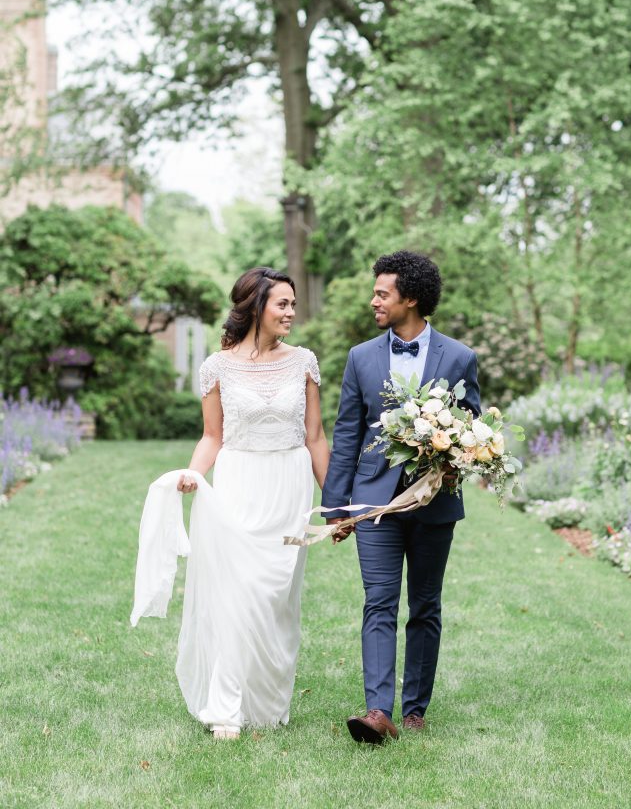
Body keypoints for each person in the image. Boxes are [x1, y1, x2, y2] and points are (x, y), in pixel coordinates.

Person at [131, 267, 328, 740]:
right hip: (239, 484)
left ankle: (267, 700)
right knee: (237, 594)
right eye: (282, 303)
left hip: (290, 486)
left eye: (293, 304)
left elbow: (316, 436)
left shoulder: (303, 361)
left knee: (276, 600)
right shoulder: (216, 367)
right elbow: (212, 435)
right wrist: (194, 475)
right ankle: (226, 706)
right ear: (255, 306)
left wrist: (337, 502)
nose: (291, 312)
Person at [321, 250, 480, 743]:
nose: (373, 301)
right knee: (379, 602)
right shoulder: (360, 357)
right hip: (373, 503)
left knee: (426, 605)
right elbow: (347, 434)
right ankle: (377, 713)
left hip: (433, 504)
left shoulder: (459, 357)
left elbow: (472, 432)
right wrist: (335, 508)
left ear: (410, 299)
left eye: (381, 293)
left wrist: (450, 458)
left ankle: (415, 710)